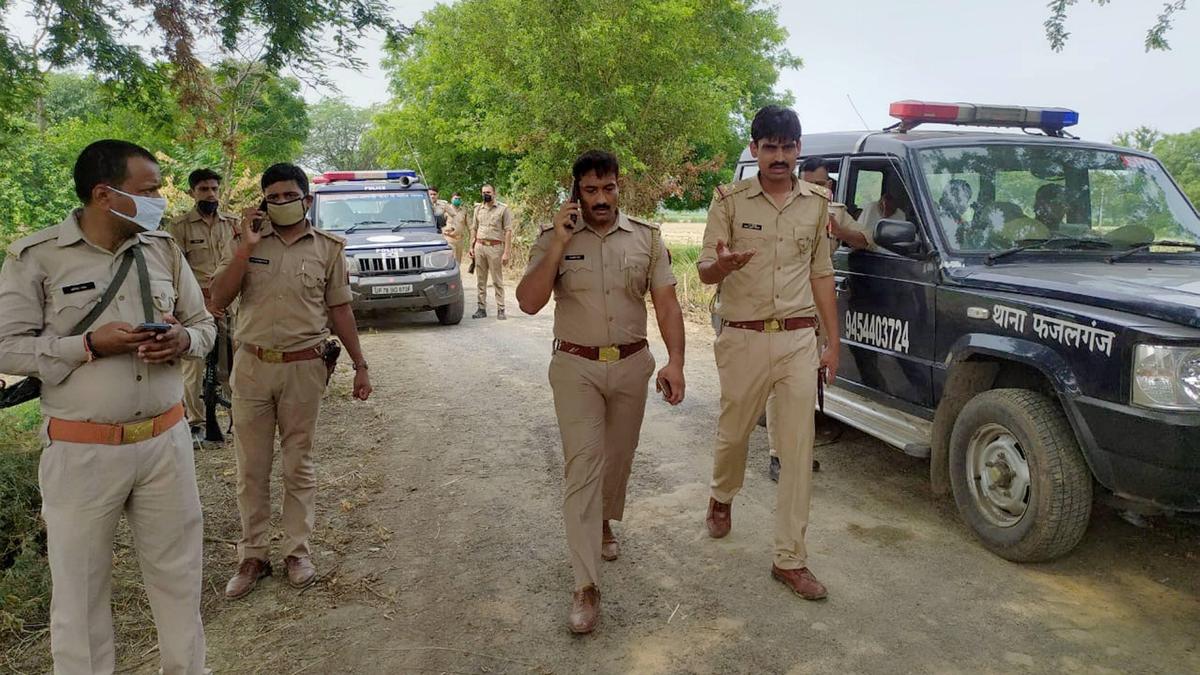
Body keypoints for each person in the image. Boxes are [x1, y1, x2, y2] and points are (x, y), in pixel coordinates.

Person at [0, 140, 214, 674]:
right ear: (104, 195)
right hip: (82, 450)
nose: (159, 201)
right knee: (80, 594)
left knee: (179, 579)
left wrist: (183, 340)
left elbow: (204, 324)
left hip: (166, 443)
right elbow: (6, 347)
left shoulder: (162, 249)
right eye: (148, 191)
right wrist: (89, 345)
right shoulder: (37, 257)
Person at [516, 150, 686, 634]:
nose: (601, 198)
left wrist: (676, 361)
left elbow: (667, 304)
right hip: (576, 368)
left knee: (617, 457)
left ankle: (604, 519)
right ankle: (585, 585)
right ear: (576, 192)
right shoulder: (553, 237)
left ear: (619, 187)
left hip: (632, 365)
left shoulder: (647, 238)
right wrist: (558, 243)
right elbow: (528, 302)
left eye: (608, 188)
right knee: (583, 465)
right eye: (590, 190)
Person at [209, 162, 374, 600]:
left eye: (289, 196)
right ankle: (253, 555)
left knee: (298, 463)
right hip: (252, 366)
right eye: (273, 197)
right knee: (251, 467)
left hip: (304, 368)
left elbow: (340, 309)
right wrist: (245, 247)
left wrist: (360, 363)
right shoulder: (246, 240)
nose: (281, 203)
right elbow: (219, 298)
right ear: (263, 202)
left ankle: (297, 551)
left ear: (307, 199)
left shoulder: (328, 249)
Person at [698, 105, 839, 601]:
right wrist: (722, 266)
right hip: (743, 336)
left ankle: (790, 559)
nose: (779, 157)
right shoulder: (729, 201)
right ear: (754, 149)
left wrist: (833, 342)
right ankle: (722, 494)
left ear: (799, 149)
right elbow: (704, 270)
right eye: (769, 147)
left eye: (787, 147)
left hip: (798, 338)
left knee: (798, 448)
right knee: (734, 433)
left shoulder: (816, 203)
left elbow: (821, 273)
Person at [167, 168, 239, 445]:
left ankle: (237, 417)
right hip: (195, 306)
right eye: (203, 189)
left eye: (214, 189)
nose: (210, 194)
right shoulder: (179, 227)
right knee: (194, 366)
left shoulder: (233, 224)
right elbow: (177, 271)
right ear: (191, 192)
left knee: (233, 363)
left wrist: (222, 300)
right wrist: (206, 303)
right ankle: (196, 422)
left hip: (231, 304)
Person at [470, 184, 514, 319]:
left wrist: (506, 252)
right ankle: (481, 308)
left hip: (495, 248)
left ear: (494, 193)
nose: (486, 194)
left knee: (497, 280)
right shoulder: (478, 209)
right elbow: (474, 228)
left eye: (488, 192)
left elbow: (508, 231)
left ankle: (501, 309)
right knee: (481, 280)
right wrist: (471, 247)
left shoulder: (503, 209)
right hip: (480, 246)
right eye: (483, 192)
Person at [857, 171, 909, 236]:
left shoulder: (900, 215)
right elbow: (858, 232)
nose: (885, 210)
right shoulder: (870, 209)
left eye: (888, 207)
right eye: (882, 206)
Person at [443, 192, 470, 263]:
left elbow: (470, 226)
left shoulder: (464, 211)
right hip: (449, 239)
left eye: (459, 199)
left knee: (458, 262)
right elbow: (440, 225)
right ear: (451, 199)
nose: (457, 200)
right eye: (456, 198)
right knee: (450, 261)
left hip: (459, 240)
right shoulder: (445, 210)